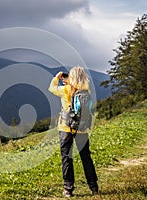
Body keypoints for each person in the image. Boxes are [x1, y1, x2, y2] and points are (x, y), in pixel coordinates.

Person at [48, 66, 98, 197]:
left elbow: (51, 88)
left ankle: (68, 189)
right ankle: (94, 187)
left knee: (66, 157)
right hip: (82, 129)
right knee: (86, 157)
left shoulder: (65, 89)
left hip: (66, 128)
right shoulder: (86, 91)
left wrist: (57, 78)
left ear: (71, 78)